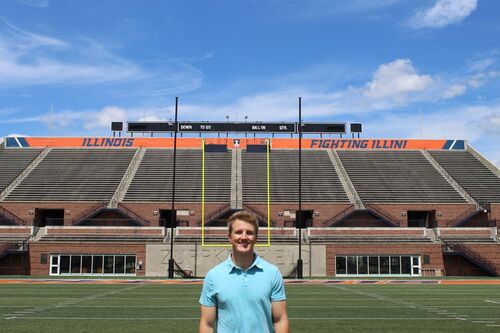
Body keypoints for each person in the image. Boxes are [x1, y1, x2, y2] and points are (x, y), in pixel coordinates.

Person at [199, 211, 289, 333]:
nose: (244, 237)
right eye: (238, 232)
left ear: (256, 238)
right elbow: (207, 324)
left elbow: (280, 320)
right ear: (229, 237)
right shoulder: (213, 276)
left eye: (250, 233)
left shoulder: (272, 273)